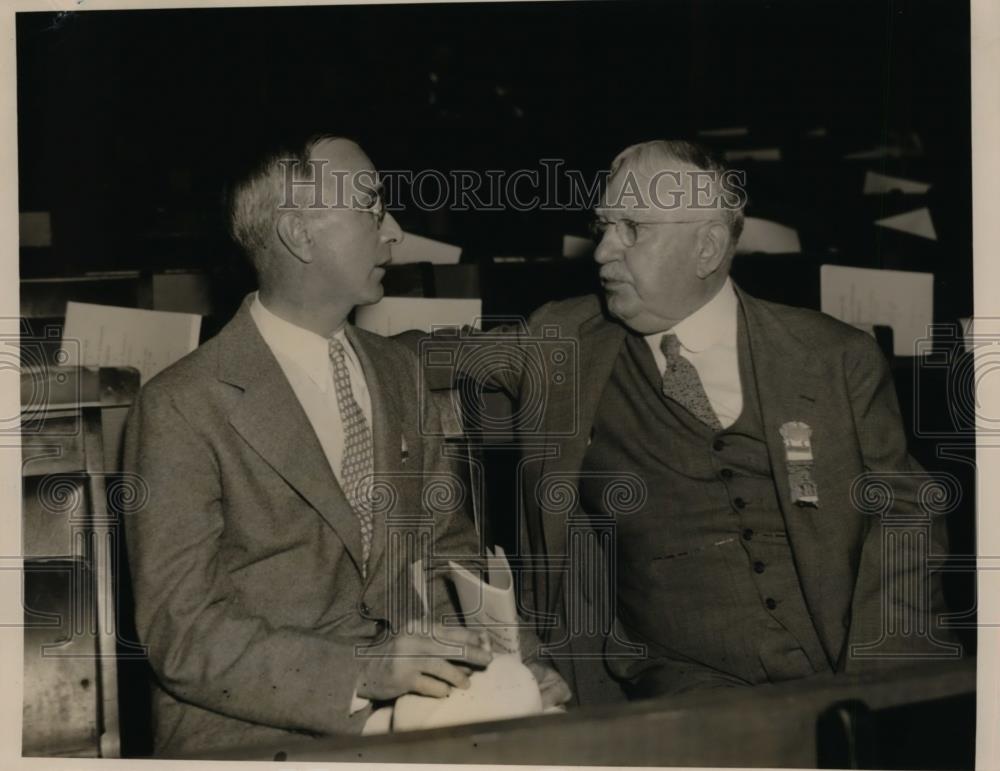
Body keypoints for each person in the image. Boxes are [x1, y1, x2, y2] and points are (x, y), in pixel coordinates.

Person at [447, 139, 956, 704]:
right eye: (603, 225)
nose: (602, 252)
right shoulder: (563, 341)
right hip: (677, 687)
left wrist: (878, 694)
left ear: (707, 247)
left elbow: (905, 521)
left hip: (841, 670)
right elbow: (415, 361)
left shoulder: (834, 357)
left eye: (632, 229)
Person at [123, 134, 501, 756]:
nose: (394, 231)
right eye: (372, 206)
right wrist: (362, 671)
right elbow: (181, 632)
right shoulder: (181, 405)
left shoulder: (398, 372)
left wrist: (501, 654)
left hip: (414, 709)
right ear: (300, 235)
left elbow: (444, 547)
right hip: (255, 729)